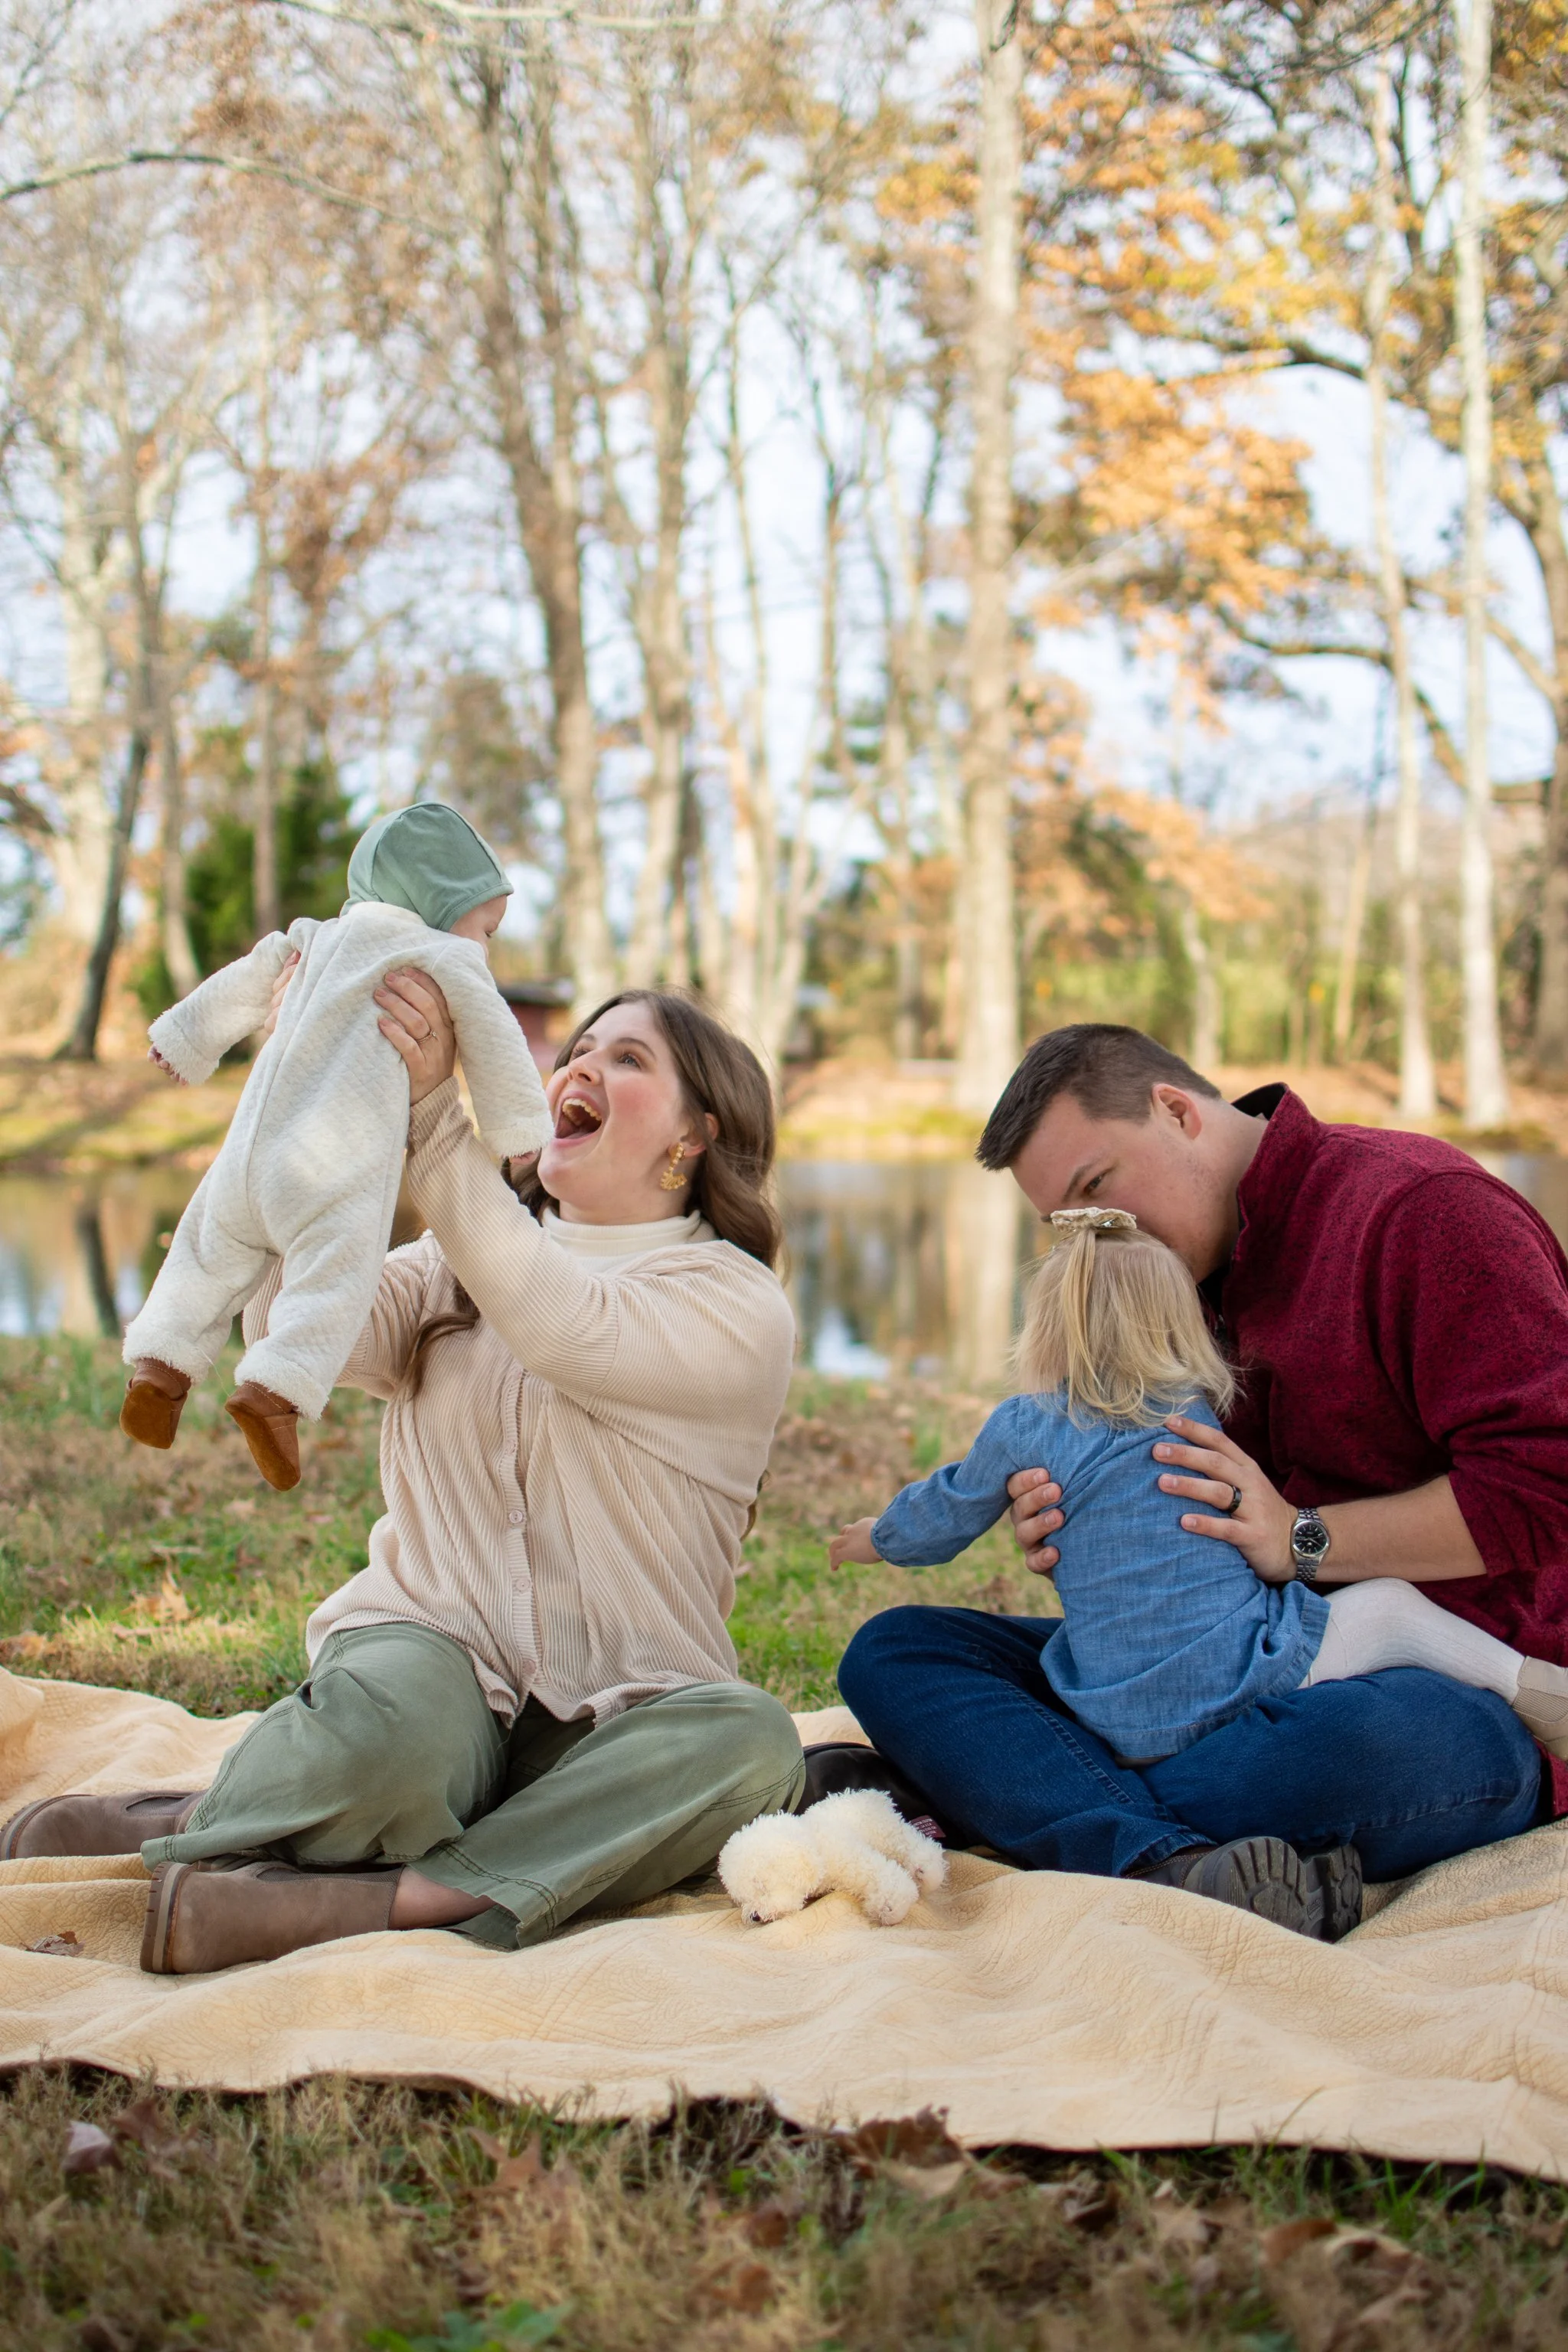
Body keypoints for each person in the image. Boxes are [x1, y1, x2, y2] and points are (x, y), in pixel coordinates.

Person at [4, 982, 805, 1974]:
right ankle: (212, 1814)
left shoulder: (733, 1302)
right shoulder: (454, 1261)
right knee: (392, 1751)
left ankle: (395, 1897)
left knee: (753, 1746)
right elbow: (298, 1324)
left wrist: (436, 1120)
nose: (582, 1067)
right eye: (581, 1049)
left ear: (696, 1136)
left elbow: (560, 1323)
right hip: (438, 1649)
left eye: (631, 1059)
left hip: (628, 1708)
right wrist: (306, 1099)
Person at [838, 1024, 1568, 1926]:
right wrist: (1072, 1507)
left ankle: (992, 1788)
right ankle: (1158, 1857)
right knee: (897, 1651)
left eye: (1097, 1189)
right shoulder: (1159, 1275)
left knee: (1385, 1753)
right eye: (1068, 1221)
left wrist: (1302, 1539)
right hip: (1207, 1665)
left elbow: (1544, 1489)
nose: (1099, 1236)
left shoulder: (1424, 1212)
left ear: (1176, 1112)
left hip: (1414, 1688)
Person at [119, 804, 551, 1490]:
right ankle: (274, 1392)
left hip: (245, 1161)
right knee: (336, 1277)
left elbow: (245, 981)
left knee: (204, 1253)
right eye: (487, 929)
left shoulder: (312, 938)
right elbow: (497, 1044)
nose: (486, 947)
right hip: (330, 1168)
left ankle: (161, 1367)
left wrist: (183, 1040)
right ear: (442, 901)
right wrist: (519, 1131)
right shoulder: (442, 957)